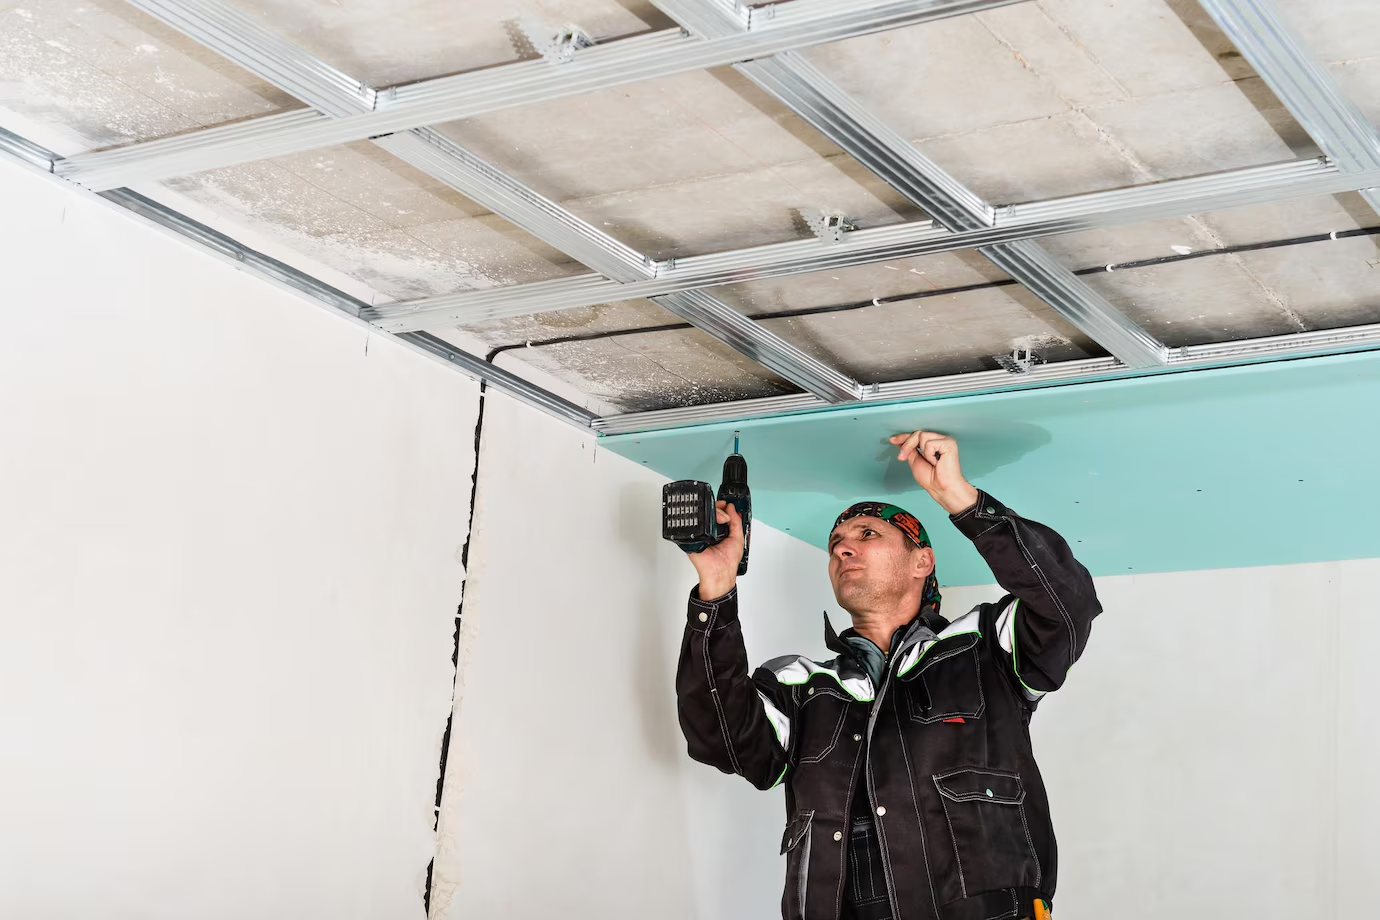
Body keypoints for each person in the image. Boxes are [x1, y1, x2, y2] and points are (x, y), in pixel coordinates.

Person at [675, 429, 1101, 920]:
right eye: (835, 543)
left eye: (867, 535)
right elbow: (719, 739)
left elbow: (1068, 605)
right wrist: (716, 590)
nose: (842, 550)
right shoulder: (800, 686)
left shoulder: (985, 648)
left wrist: (959, 498)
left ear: (923, 561)